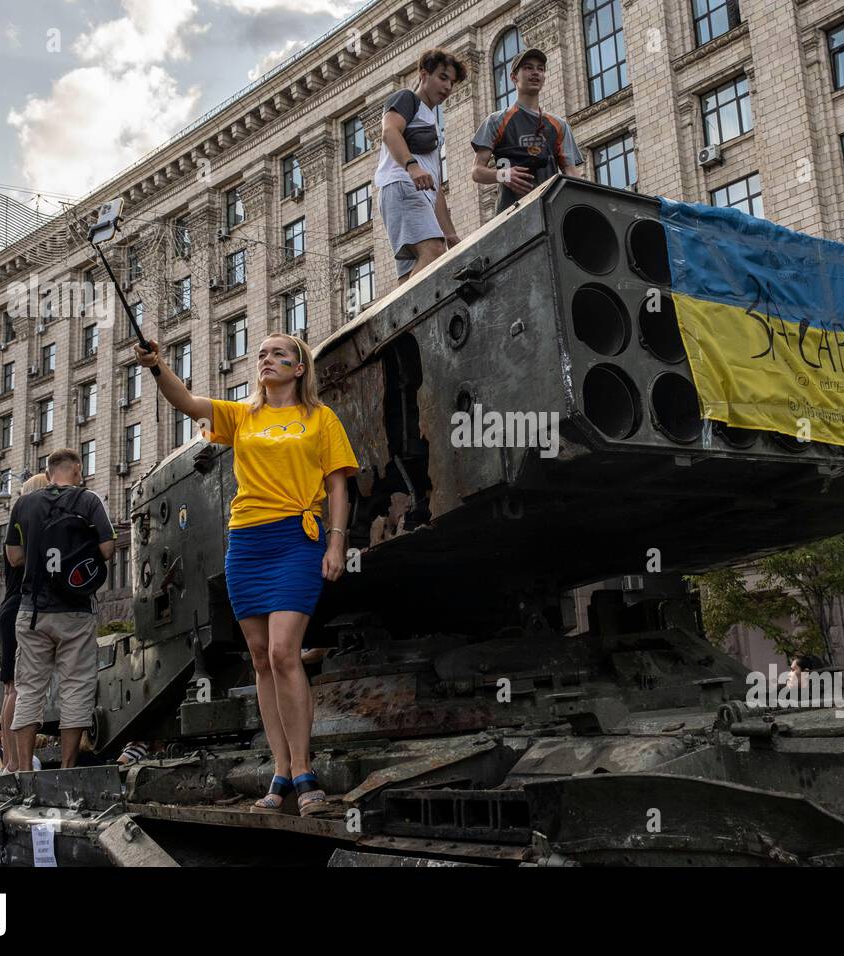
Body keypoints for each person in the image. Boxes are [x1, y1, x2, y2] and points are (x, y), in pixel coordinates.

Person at [132, 332, 358, 815]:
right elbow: (188, 402)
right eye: (262, 353)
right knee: (258, 656)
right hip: (247, 541)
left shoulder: (320, 418)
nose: (268, 359)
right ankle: (279, 771)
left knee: (283, 652)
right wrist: (157, 366)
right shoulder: (242, 414)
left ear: (300, 368)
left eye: (280, 353)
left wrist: (336, 541)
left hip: (297, 538)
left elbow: (338, 485)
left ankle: (304, 769)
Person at [5, 448, 117, 772]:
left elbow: (13, 556)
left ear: (48, 470)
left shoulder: (24, 503)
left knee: (29, 690)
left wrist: (41, 556)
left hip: (33, 610)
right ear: (78, 470)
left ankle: (25, 771)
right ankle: (67, 770)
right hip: (76, 610)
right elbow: (108, 549)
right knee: (76, 688)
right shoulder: (89, 500)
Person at [376, 48, 467, 283]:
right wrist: (412, 166)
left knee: (410, 278)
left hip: (414, 195)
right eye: (443, 77)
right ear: (424, 75)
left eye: (452, 82)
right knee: (433, 252)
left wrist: (450, 234)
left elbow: (435, 189)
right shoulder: (407, 99)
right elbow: (389, 132)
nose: (447, 87)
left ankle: (406, 320)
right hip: (402, 187)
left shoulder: (434, 124)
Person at [471, 47, 582, 216]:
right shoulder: (497, 121)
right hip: (510, 215)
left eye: (540, 69)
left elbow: (572, 174)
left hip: (549, 212)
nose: (535, 73)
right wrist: (504, 175)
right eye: (528, 67)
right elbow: (477, 172)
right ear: (514, 77)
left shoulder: (558, 125)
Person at [0, 473, 50, 772]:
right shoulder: (30, 526)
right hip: (22, 607)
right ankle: (15, 763)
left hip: (14, 608)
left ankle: (12, 762)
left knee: (13, 688)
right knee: (18, 688)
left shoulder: (19, 526)